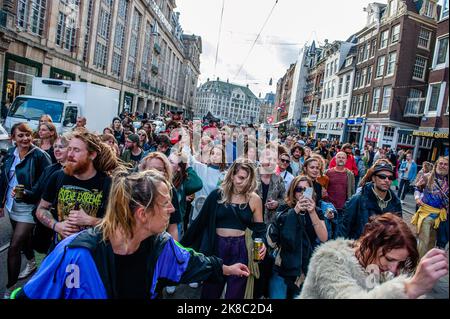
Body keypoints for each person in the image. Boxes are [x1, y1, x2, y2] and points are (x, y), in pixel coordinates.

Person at [11, 169, 250, 299]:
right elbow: (30, 295)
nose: (172, 209)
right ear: (142, 214)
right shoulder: (75, 252)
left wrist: (226, 268)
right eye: (165, 203)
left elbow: (190, 263)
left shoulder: (161, 246)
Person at [299, 213, 448, 299]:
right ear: (370, 242)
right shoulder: (329, 258)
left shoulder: (374, 266)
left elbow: (375, 291)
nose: (393, 268)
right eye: (390, 259)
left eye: (399, 262)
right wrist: (410, 288)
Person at [181, 158, 267, 299]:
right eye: (240, 178)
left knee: (235, 295)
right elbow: (199, 223)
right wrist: (179, 248)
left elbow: (260, 229)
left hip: (241, 249)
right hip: (217, 248)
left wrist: (262, 242)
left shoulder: (254, 199)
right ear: (232, 175)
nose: (244, 182)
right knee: (210, 292)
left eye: (248, 180)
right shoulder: (217, 195)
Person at [34, 132, 119, 247]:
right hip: (61, 249)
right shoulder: (58, 176)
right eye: (69, 149)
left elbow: (119, 224)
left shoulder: (108, 183)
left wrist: (90, 220)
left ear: (92, 155)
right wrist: (57, 226)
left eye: (76, 150)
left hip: (91, 254)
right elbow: (41, 209)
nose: (70, 154)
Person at [0, 123, 52, 298]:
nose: (25, 139)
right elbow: (4, 179)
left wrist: (27, 194)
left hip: (29, 207)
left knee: (14, 246)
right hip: (11, 205)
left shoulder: (40, 156)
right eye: (20, 136)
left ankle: (10, 289)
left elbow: (46, 184)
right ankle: (31, 261)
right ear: (13, 138)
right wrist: (1, 204)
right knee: (24, 240)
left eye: (28, 135)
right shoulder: (9, 154)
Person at [267, 176, 327, 299]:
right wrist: (295, 211)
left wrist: (312, 212)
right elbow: (279, 238)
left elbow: (323, 237)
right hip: (283, 266)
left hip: (304, 268)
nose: (303, 193)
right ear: (293, 192)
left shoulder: (317, 211)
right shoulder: (284, 209)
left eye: (307, 190)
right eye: (299, 189)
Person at [339, 161, 402, 240]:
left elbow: (399, 231)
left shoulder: (396, 203)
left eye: (390, 177)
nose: (386, 180)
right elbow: (344, 229)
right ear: (373, 178)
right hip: (361, 248)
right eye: (382, 176)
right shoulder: (358, 199)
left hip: (384, 250)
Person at [253, 148, 286, 299]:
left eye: (274, 159)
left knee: (265, 261)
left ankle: (261, 292)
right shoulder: (251, 175)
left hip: (269, 228)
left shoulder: (278, 179)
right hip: (251, 225)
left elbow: (285, 200)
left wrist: (276, 204)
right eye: (267, 158)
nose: (270, 162)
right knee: (251, 259)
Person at [139, 152, 182, 241]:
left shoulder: (170, 190)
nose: (155, 172)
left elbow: (173, 227)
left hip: (159, 243)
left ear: (165, 172)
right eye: (151, 169)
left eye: (159, 169)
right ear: (143, 169)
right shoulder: (136, 190)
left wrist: (174, 251)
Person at [412, 156, 448, 258]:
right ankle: (417, 265)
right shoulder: (427, 177)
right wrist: (417, 198)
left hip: (440, 217)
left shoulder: (448, 182)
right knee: (424, 242)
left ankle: (427, 265)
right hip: (426, 214)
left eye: (445, 164)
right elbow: (417, 188)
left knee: (432, 244)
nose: (443, 166)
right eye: (440, 163)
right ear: (436, 164)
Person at [325, 152, 355, 239]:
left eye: (343, 158)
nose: (341, 159)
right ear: (335, 159)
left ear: (346, 160)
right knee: (327, 233)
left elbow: (352, 191)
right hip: (329, 208)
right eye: (339, 157)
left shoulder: (350, 174)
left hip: (342, 209)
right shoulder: (327, 173)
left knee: (338, 235)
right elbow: (323, 190)